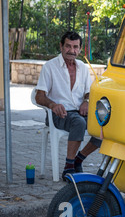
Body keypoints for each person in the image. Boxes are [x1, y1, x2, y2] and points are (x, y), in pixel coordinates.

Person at [35, 31, 101, 181]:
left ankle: (79, 159)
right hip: (59, 114)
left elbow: (89, 92)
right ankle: (68, 167)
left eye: (75, 47)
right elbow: (39, 96)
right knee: (79, 122)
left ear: (79, 48)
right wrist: (53, 105)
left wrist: (87, 102)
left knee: (104, 123)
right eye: (68, 46)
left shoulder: (83, 68)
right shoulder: (49, 67)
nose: (72, 50)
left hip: (79, 112)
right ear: (61, 46)